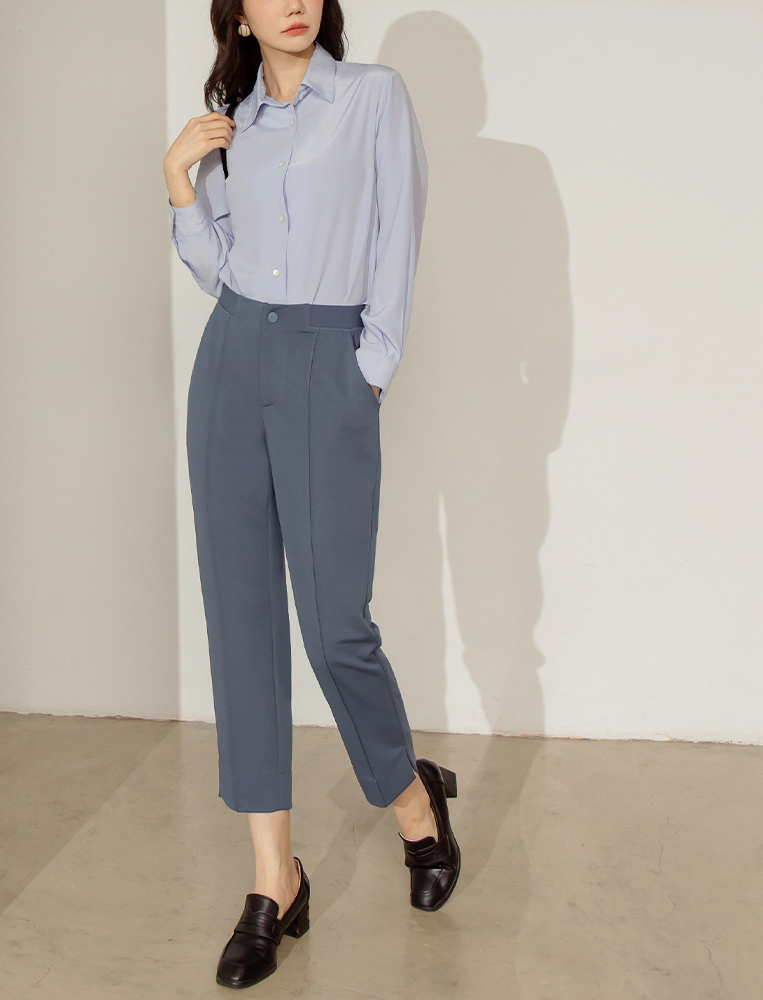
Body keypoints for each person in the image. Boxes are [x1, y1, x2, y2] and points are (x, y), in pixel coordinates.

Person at [163, 2, 461, 988]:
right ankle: (273, 880)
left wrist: (367, 368)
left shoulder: (372, 98)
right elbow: (219, 269)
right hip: (231, 364)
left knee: (335, 627)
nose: (292, 0)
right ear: (239, 15)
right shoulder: (232, 122)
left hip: (328, 361)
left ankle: (412, 799)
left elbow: (397, 234)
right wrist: (180, 186)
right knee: (241, 622)